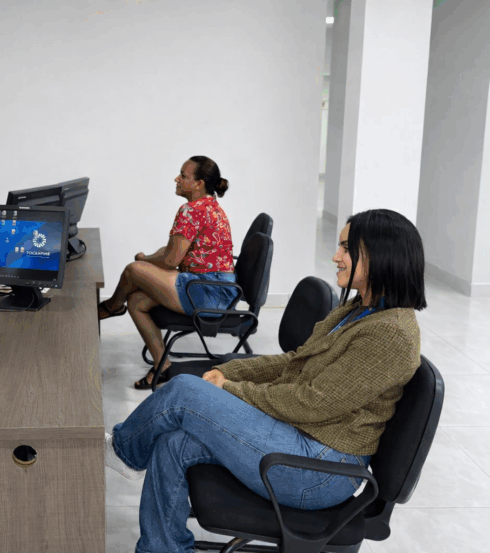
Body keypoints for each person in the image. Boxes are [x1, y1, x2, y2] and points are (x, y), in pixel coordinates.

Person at [104, 209, 427, 553]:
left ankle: (124, 451)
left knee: (184, 390)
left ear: (379, 256)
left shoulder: (390, 334)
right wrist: (230, 371)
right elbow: (294, 361)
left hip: (321, 471)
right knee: (174, 443)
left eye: (346, 249)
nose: (336, 256)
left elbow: (312, 403)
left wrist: (231, 389)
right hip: (302, 441)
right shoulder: (360, 309)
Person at [97, 156, 238, 389]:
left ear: (199, 184)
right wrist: (148, 260)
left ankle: (111, 307)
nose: (176, 179)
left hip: (207, 291)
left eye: (183, 175)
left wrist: (144, 263)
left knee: (133, 270)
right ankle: (162, 365)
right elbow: (173, 251)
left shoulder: (191, 210)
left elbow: (171, 260)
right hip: (215, 288)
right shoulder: (210, 206)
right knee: (137, 301)